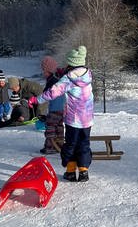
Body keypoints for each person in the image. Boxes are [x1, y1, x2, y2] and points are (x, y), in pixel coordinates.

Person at [35, 46, 94, 182]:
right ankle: (84, 171)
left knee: (71, 144)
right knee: (84, 143)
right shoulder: (88, 74)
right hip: (87, 119)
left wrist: (36, 100)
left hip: (73, 119)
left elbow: (53, 92)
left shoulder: (69, 79)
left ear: (71, 63)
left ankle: (71, 171)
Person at [39, 56, 66, 154]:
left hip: (54, 109)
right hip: (61, 109)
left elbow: (45, 93)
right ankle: (60, 145)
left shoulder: (51, 81)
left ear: (48, 70)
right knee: (59, 127)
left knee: (50, 128)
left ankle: (50, 147)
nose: (43, 73)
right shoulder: (58, 80)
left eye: (44, 71)